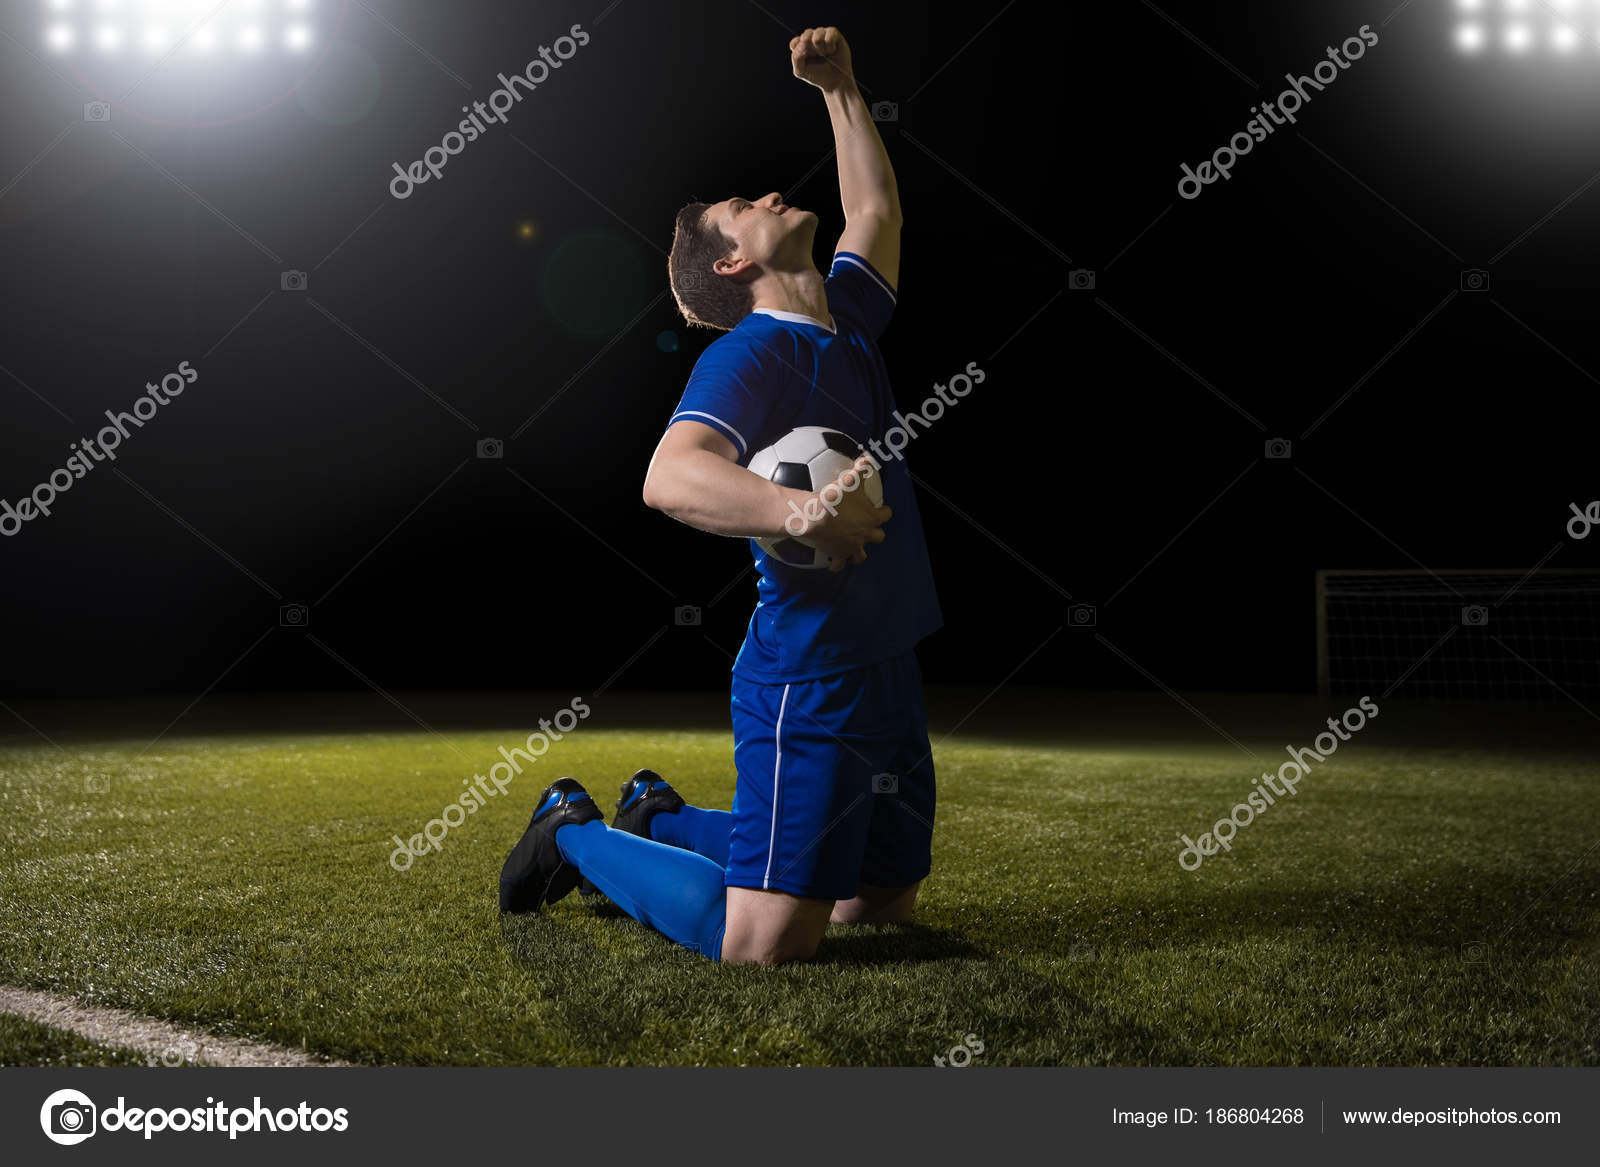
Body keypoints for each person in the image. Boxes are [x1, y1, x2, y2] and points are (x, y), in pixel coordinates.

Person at [500, 26, 941, 965]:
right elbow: (670, 474)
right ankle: (571, 830)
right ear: (734, 264)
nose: (771, 195)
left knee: (880, 905)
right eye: (745, 206)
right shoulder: (752, 351)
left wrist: (841, 89)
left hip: (890, 657)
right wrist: (804, 510)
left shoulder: (846, 323)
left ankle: (662, 815)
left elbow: (876, 208)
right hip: (810, 673)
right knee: (764, 944)